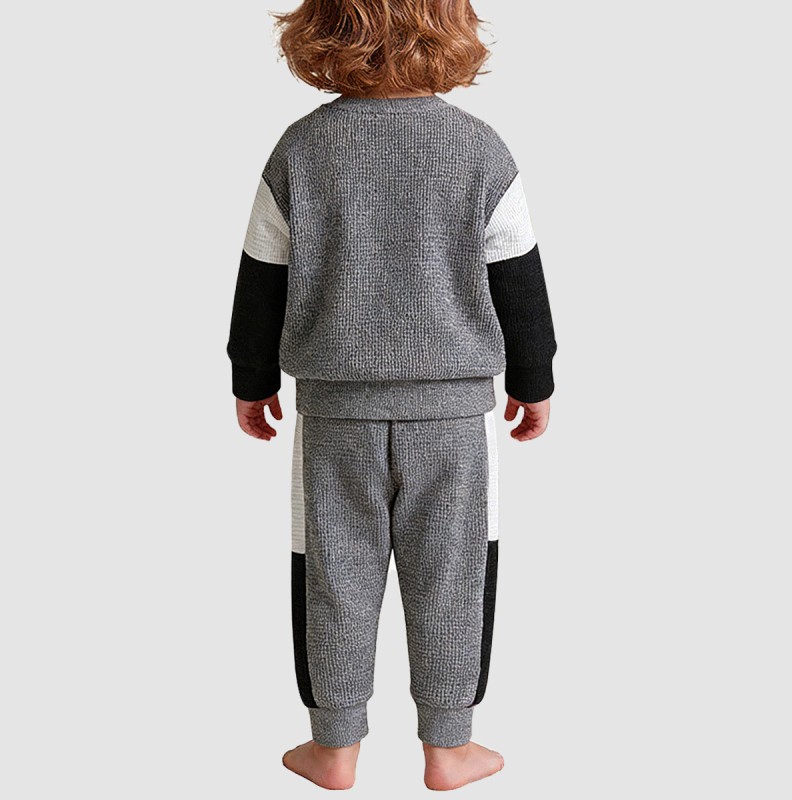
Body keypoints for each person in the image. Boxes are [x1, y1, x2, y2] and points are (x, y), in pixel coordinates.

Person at [226, 0, 557, 790]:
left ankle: (333, 747)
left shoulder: (301, 149)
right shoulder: (480, 149)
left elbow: (260, 281)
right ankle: (449, 747)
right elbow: (520, 282)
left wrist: (251, 378)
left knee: (333, 574)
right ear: (453, 25)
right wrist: (533, 379)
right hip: (454, 419)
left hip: (334, 414)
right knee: (454, 576)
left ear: (322, 27)